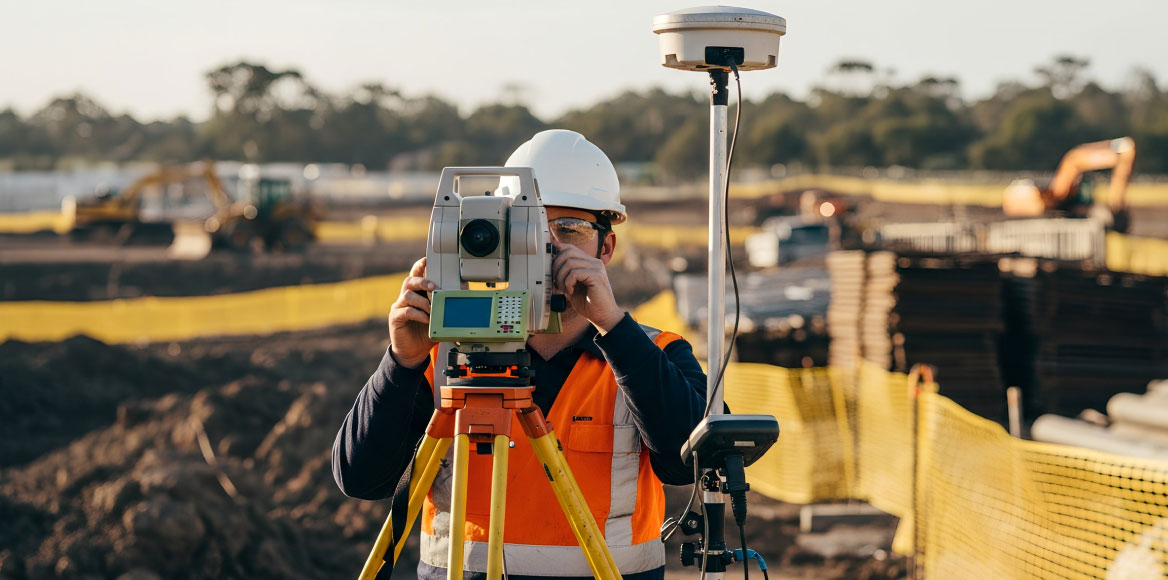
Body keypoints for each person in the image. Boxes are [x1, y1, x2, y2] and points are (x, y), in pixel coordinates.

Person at [332, 129, 709, 580]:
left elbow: (690, 464)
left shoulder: (654, 353)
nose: (543, 249)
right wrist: (402, 362)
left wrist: (617, 331)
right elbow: (361, 479)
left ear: (605, 247)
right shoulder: (444, 355)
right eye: (525, 229)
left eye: (568, 229)